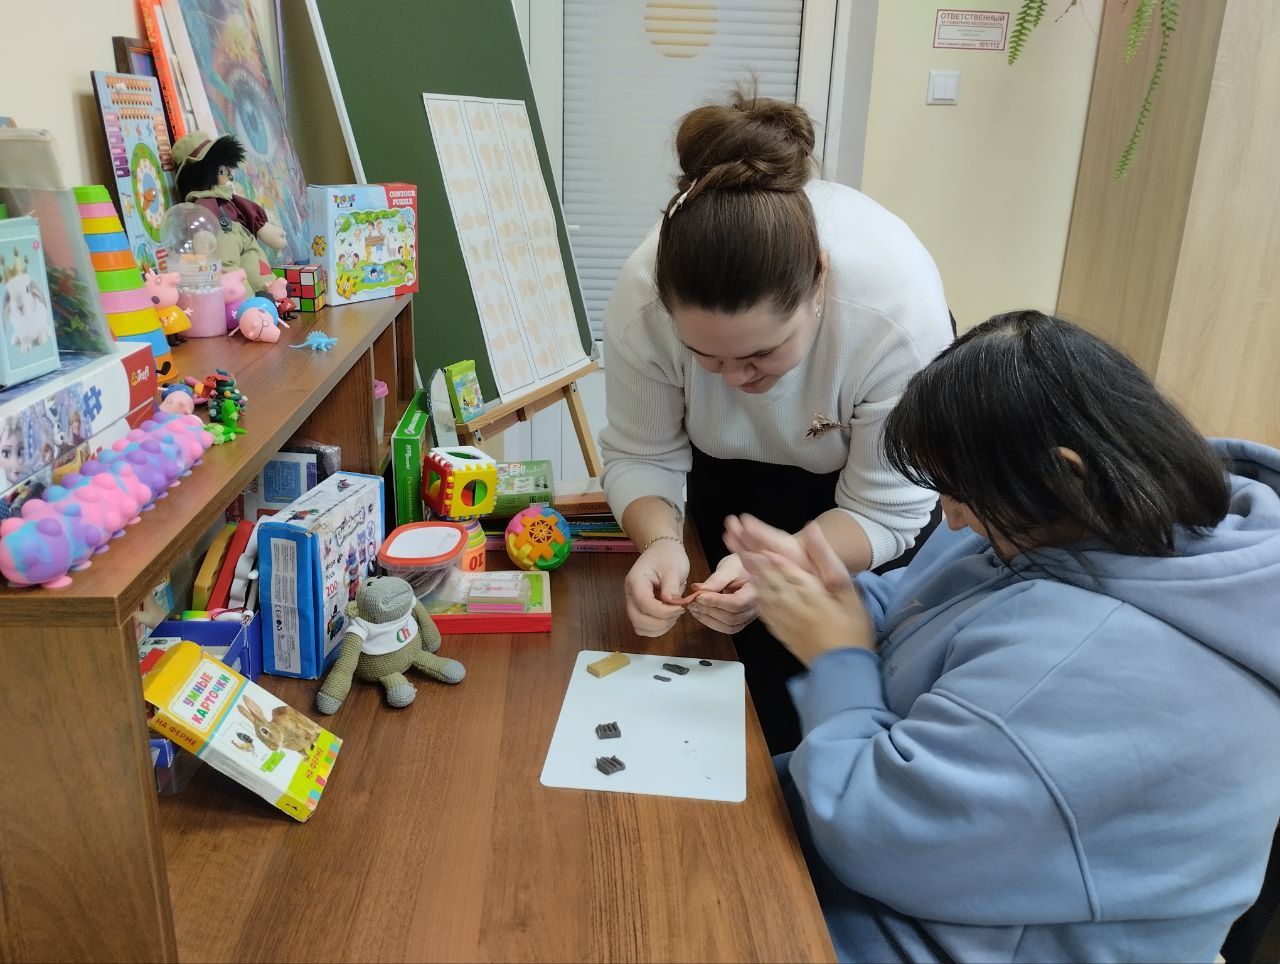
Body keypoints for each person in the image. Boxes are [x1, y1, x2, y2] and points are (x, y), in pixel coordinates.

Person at [727, 310, 1280, 963]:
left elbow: (871, 835)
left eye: (959, 494)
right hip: (890, 863)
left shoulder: (1100, 660)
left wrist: (838, 655)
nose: (952, 519)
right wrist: (826, 593)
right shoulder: (1085, 520)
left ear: (1064, 475)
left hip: (917, 918)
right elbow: (921, 603)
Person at [599, 89, 953, 752]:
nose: (735, 380)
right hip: (732, 483)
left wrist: (783, 567)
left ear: (820, 283)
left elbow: (884, 511)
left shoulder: (895, 314)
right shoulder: (644, 299)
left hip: (858, 498)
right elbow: (642, 453)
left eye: (761, 355)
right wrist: (660, 543)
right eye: (706, 357)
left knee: (826, 705)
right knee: (728, 685)